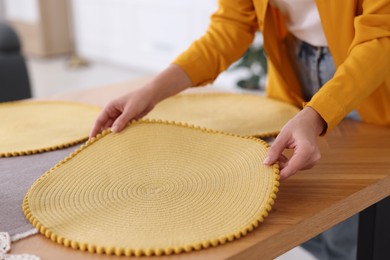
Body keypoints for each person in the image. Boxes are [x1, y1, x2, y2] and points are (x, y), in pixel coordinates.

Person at [90, 1, 390, 259]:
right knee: (304, 215)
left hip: (368, 78)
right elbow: (231, 26)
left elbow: (381, 35)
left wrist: (317, 115)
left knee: (352, 229)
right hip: (292, 68)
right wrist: (152, 91)